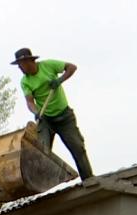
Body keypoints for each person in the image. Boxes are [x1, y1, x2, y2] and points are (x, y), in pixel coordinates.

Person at [12, 47, 94, 180]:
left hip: (64, 117)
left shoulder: (48, 65)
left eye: (20, 65)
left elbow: (72, 67)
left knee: (78, 147)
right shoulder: (25, 81)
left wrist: (60, 80)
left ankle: (89, 179)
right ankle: (41, 186)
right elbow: (30, 102)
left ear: (28, 62)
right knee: (41, 152)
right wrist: (36, 112)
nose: (19, 69)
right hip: (46, 120)